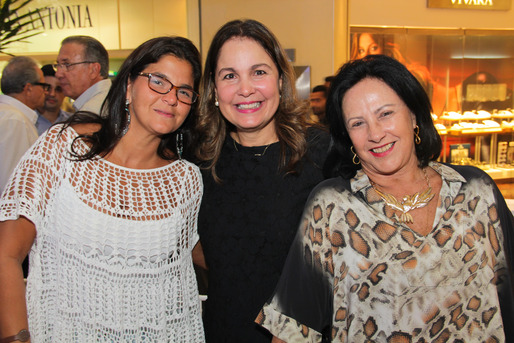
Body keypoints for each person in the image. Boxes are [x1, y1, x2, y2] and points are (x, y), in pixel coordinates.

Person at [257, 55, 514, 342]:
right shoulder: (334, 206)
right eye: (358, 123)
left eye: (385, 114)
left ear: (413, 115)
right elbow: (292, 329)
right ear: (348, 137)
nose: (375, 134)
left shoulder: (476, 191)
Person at [0, 36, 205, 342]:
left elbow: (182, 275)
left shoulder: (185, 180)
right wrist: (17, 338)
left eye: (184, 91)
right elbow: (6, 253)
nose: (171, 98)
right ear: (127, 87)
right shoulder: (62, 147)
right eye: (159, 81)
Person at [194, 19, 329, 342]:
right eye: (230, 75)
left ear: (281, 80)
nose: (245, 89)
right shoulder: (198, 163)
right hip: (222, 331)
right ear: (213, 89)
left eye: (259, 72)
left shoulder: (323, 153)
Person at [0, 56, 47, 194]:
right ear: (28, 88)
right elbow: (10, 185)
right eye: (43, 86)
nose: (46, 92)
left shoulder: (8, 114)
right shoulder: (14, 120)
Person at [54, 35, 111, 114]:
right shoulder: (111, 99)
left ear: (93, 70)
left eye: (67, 64)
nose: (58, 74)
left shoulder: (93, 113)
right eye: (58, 65)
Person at [35, 64, 71, 135]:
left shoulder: (72, 122)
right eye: (48, 88)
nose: (52, 94)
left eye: (58, 89)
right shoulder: (28, 121)